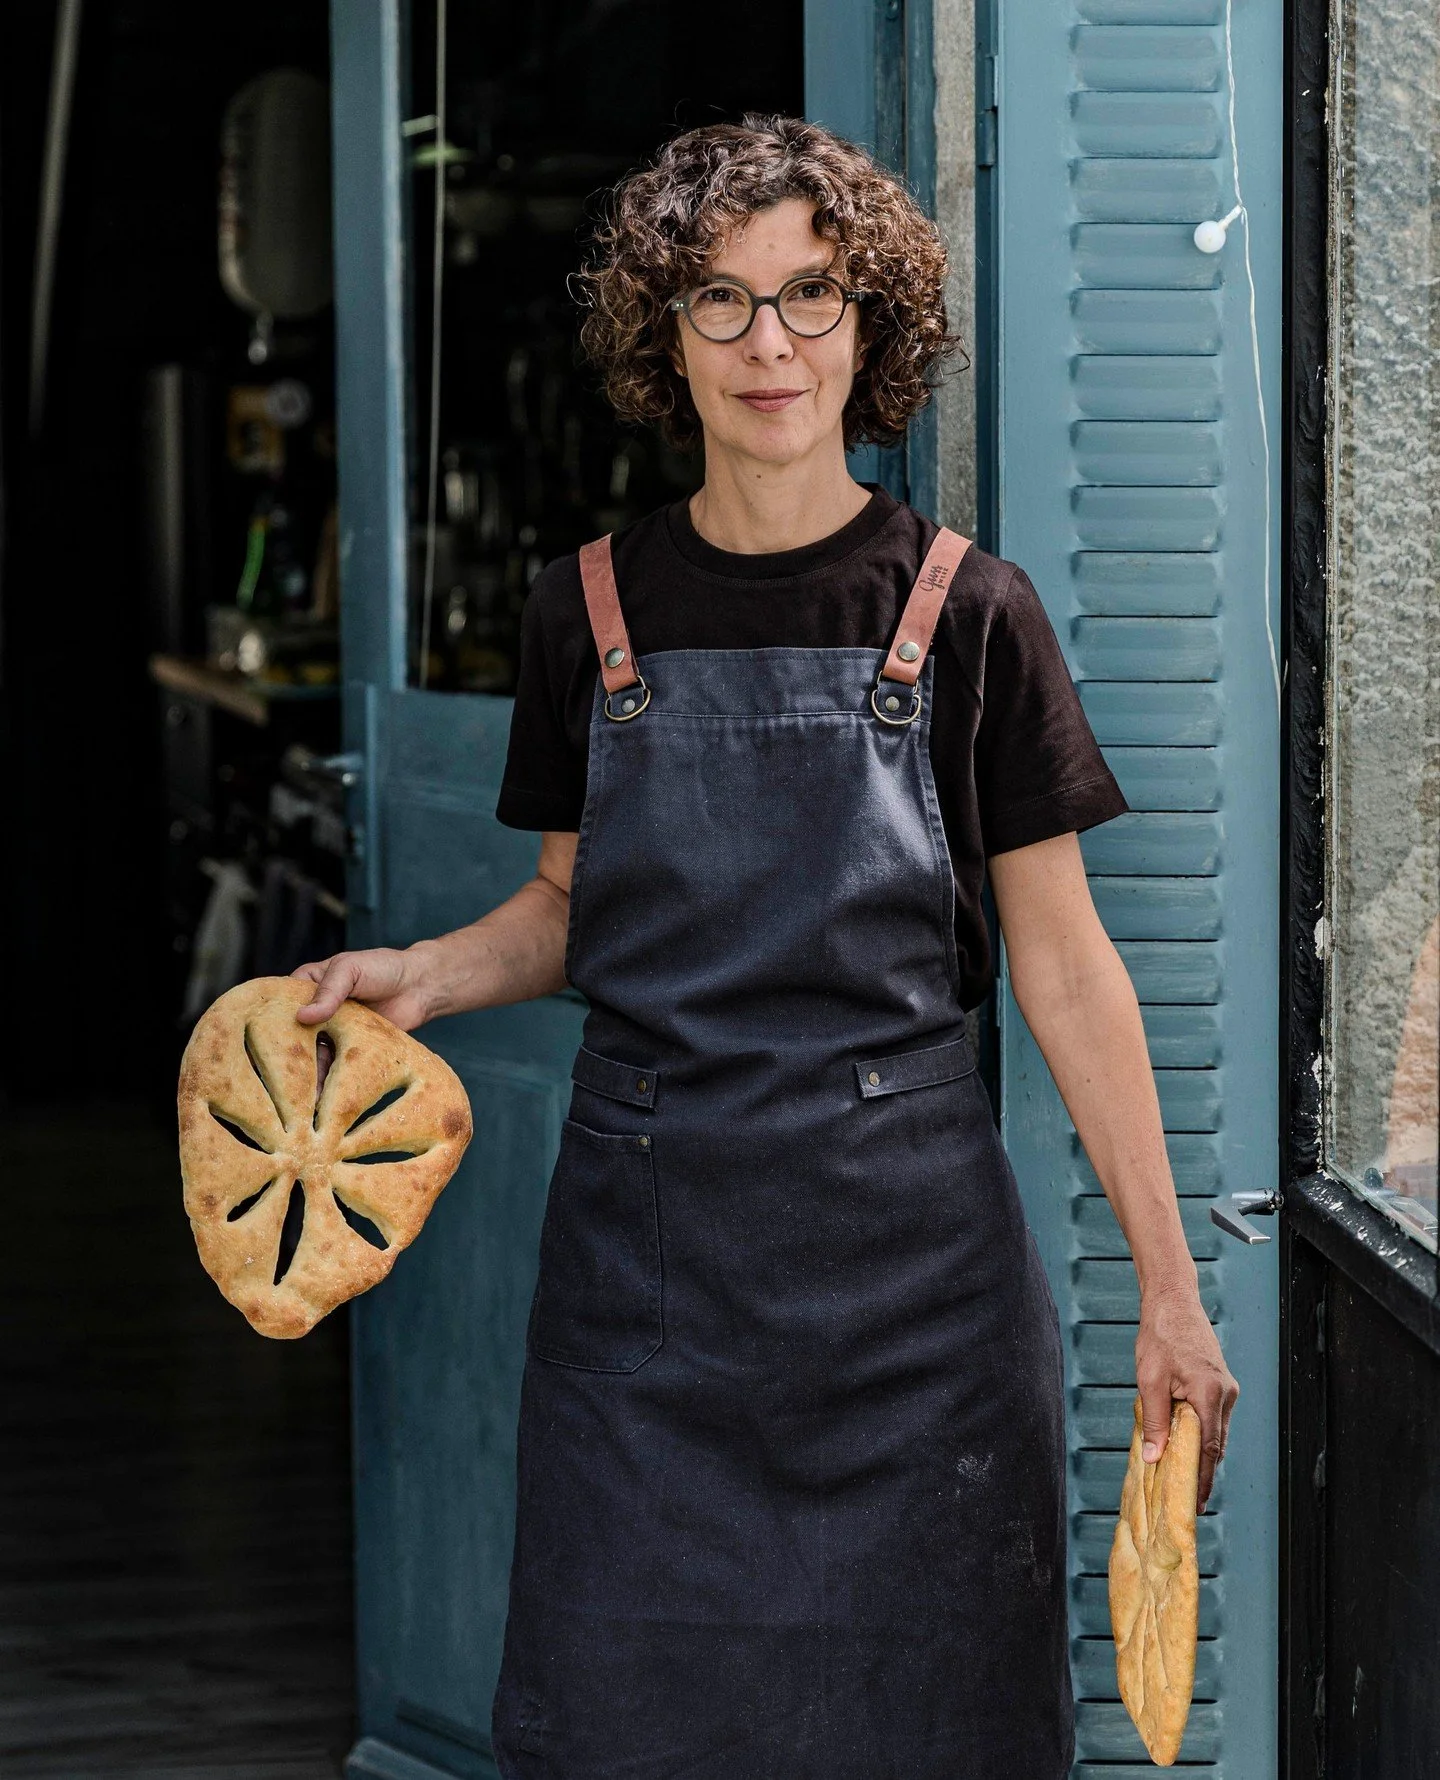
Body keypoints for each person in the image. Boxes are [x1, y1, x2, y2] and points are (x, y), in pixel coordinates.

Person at [294, 114, 1239, 1779]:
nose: (769, 344)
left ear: (872, 329)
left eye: (811, 296)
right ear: (664, 334)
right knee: (624, 1729)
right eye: (720, 300)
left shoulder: (973, 612)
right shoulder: (586, 609)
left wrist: (1171, 1289)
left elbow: (1066, 965)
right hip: (648, 1305)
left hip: (919, 1313)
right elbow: (571, 907)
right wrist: (417, 977)